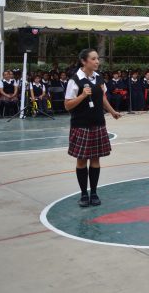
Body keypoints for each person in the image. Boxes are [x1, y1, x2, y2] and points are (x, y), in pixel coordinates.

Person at [64, 49, 121, 207]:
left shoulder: (99, 78)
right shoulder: (75, 80)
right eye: (94, 59)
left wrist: (112, 111)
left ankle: (94, 192)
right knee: (81, 161)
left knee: (95, 159)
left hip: (98, 123)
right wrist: (82, 96)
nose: (97, 61)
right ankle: (83, 194)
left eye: (98, 59)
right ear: (84, 61)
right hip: (81, 125)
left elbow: (102, 98)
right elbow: (67, 105)